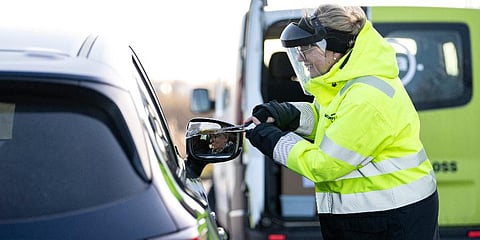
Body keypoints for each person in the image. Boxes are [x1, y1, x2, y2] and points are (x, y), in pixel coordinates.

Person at [245, 4, 439, 240]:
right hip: (374, 217)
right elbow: (328, 119)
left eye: (307, 48)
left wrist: (273, 140)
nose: (301, 57)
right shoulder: (347, 81)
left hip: (390, 218)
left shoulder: (365, 98)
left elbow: (324, 165)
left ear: (335, 50)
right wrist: (286, 113)